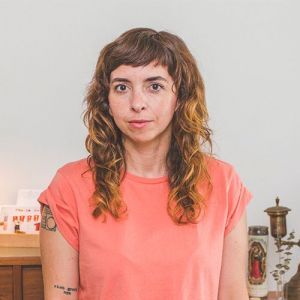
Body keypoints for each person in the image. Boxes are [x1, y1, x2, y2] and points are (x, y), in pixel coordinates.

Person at [38, 27, 253, 300]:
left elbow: (233, 295)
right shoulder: (68, 187)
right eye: (122, 87)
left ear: (180, 98)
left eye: (155, 86)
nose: (137, 103)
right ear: (106, 100)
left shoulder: (224, 183)